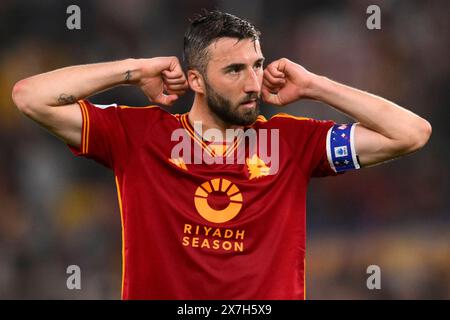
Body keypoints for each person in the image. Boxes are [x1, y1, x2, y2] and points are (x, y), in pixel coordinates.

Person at [11, 10, 431, 300]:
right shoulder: (138, 135)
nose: (253, 83)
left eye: (257, 65)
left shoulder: (292, 142)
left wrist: (316, 86)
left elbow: (410, 133)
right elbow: (30, 96)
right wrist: (135, 69)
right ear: (195, 79)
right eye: (234, 70)